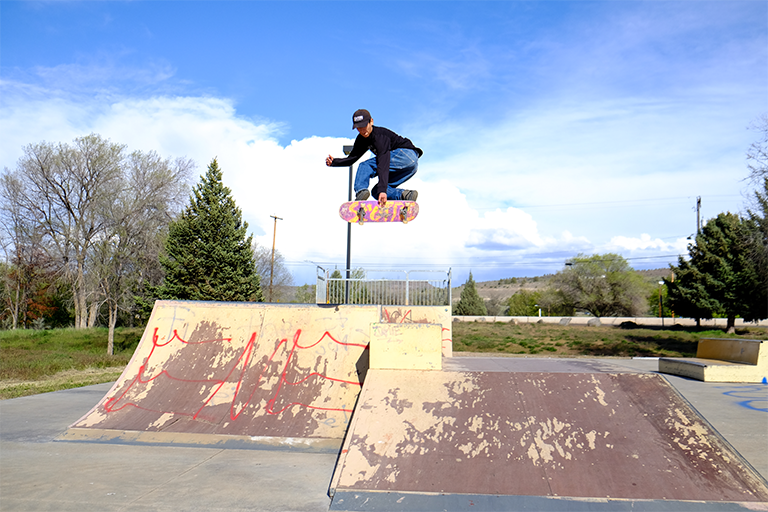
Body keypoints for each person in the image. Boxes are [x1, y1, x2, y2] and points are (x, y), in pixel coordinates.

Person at [325, 109, 423, 207]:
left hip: (405, 155)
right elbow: (352, 158)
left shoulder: (380, 136)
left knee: (365, 166)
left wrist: (382, 190)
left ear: (371, 121)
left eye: (364, 126)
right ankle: (406, 195)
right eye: (358, 128)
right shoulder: (361, 140)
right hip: (410, 167)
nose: (362, 130)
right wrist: (335, 162)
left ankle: (361, 191)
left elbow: (383, 163)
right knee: (376, 192)